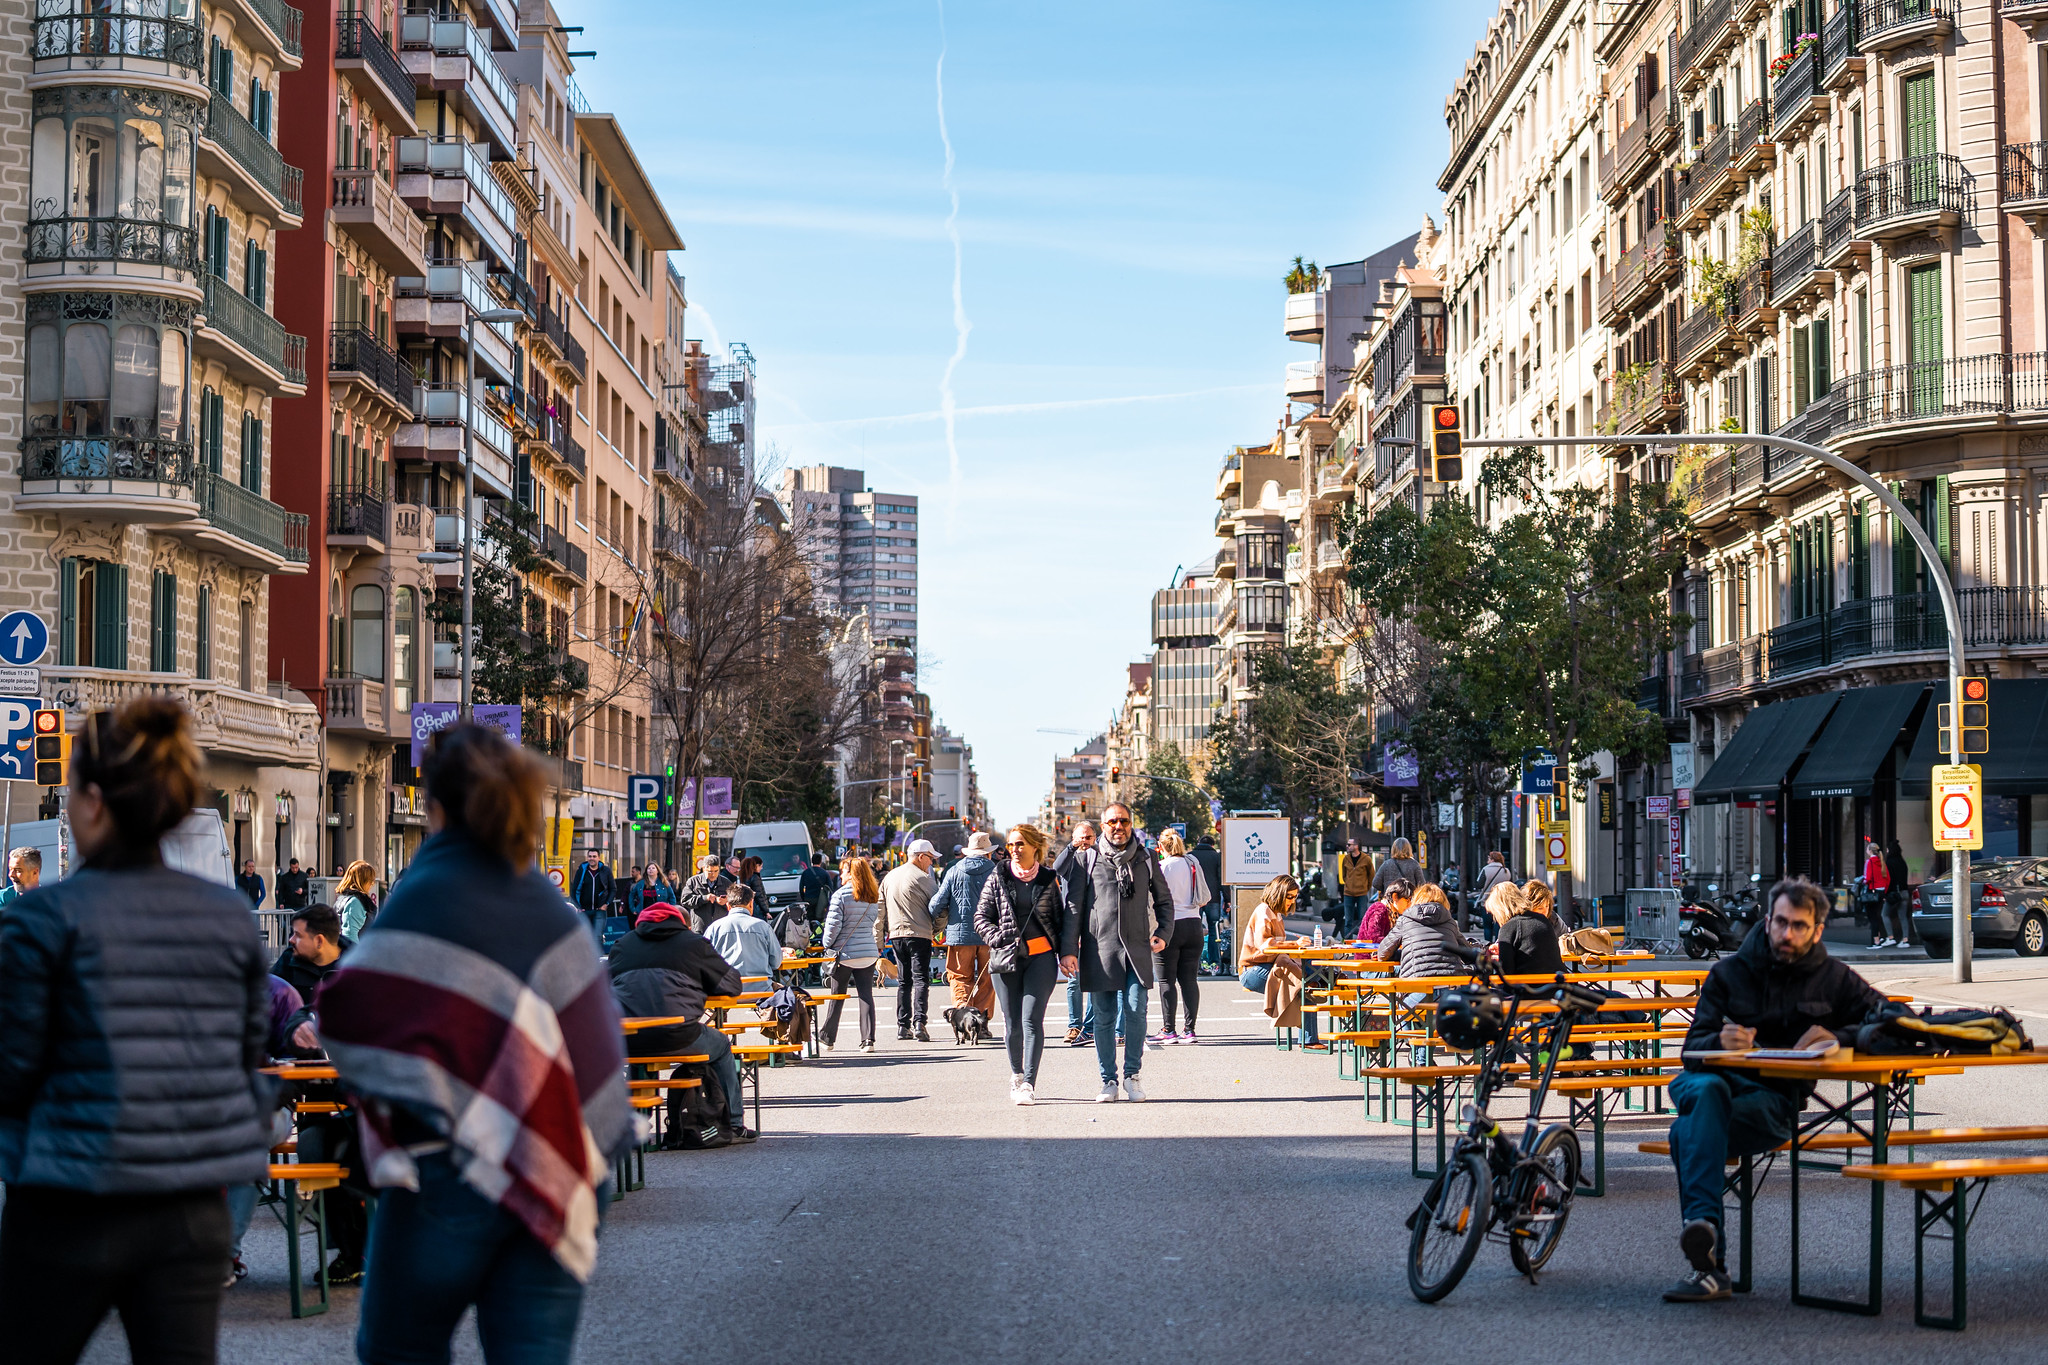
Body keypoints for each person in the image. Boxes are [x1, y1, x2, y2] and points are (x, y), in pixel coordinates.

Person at [315, 723, 635, 1362]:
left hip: (446, 1171)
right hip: (558, 1159)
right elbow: (597, 1047)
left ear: (434, 806)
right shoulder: (549, 907)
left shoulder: (424, 893)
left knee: (398, 1350)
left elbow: (349, 1011)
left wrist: (411, 1084)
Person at [0, 697, 273, 1363]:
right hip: (189, 1210)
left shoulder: (42, 921)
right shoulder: (231, 918)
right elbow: (244, 1058)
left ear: (92, 801)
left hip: (68, 1198)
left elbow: (11, 1070)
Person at [1663, 878, 1887, 1303]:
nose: (1788, 934)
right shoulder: (1728, 973)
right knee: (1707, 1088)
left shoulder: (1834, 979)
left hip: (1769, 1106)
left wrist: (1841, 1036)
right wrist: (1718, 1044)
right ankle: (1707, 1247)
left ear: (1818, 930)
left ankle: (1709, 1258)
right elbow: (1691, 1051)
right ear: (1767, 921)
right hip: (1706, 1084)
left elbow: (1894, 1019)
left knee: (1686, 1131)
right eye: (1781, 922)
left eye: (1799, 926)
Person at [607, 901, 751, 1146]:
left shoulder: (622, 945)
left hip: (628, 1036)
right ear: (680, 922)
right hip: (679, 1034)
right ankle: (734, 1123)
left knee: (640, 1056)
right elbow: (733, 985)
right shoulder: (694, 944)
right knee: (721, 1045)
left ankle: (636, 1129)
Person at [1074, 803, 1174, 1101]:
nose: (1119, 826)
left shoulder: (1146, 858)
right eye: (1112, 822)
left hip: (1137, 948)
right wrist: (1070, 947)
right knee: (1103, 1017)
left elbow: (1164, 900)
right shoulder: (1087, 859)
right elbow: (1073, 906)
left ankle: (1132, 1076)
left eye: (1124, 821)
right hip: (1100, 949)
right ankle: (1108, 1081)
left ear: (1131, 824)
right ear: (1102, 826)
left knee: (1135, 1009)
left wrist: (1163, 933)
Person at [975, 824, 1073, 1103]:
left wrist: (1066, 953)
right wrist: (997, 938)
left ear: (1034, 847)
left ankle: (1029, 1083)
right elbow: (981, 917)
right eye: (1011, 844)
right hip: (1005, 959)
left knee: (1032, 1020)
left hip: (1040, 958)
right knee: (1012, 1022)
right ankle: (1016, 1075)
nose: (1014, 850)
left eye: (1020, 844)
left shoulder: (1048, 879)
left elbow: (1059, 920)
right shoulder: (999, 875)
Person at [1239, 875, 1319, 1042]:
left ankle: (1309, 1039)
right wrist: (1294, 944)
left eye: (1295, 896)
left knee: (1306, 982)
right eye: (1289, 896)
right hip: (1252, 970)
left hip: (1266, 966)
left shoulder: (1275, 913)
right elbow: (1265, 945)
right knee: (1302, 987)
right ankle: (1308, 1039)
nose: (1292, 901)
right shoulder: (1264, 911)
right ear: (1279, 894)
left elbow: (1276, 946)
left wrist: (1294, 946)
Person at [931, 831, 998, 1031]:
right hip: (989, 935)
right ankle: (982, 1024)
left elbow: (935, 905)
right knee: (988, 980)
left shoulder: (954, 870)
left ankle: (963, 1018)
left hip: (959, 935)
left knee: (959, 978)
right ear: (988, 853)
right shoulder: (996, 871)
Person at [1150, 829, 1210, 1044]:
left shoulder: (1162, 867)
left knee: (1166, 980)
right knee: (1189, 980)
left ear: (1161, 847)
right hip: (1194, 924)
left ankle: (1169, 1030)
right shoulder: (1191, 863)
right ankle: (1190, 1030)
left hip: (1169, 927)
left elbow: (1153, 897)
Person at [820, 856, 884, 1052]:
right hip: (868, 952)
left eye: (843, 871)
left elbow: (832, 927)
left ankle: (828, 1038)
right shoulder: (872, 896)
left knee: (837, 996)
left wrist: (826, 945)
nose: (840, 875)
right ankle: (868, 1040)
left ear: (851, 873)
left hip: (845, 953)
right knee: (866, 995)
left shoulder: (840, 895)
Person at [879, 838, 941, 1042]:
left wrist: (879, 939)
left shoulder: (889, 877)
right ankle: (919, 1023)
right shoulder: (923, 878)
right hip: (920, 934)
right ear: (921, 856)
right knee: (921, 979)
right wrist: (937, 929)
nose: (931, 863)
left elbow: (880, 911)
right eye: (930, 858)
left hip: (896, 934)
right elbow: (938, 907)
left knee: (904, 981)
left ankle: (902, 1026)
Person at [1375, 882, 1475, 980]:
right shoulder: (1450, 922)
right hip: (1450, 985)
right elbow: (1468, 955)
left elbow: (1383, 954)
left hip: (1415, 984)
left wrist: (1403, 954)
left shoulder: (1405, 920)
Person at [1056, 821, 1099, 1043]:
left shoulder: (1100, 859)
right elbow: (1056, 868)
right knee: (1073, 980)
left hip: (1095, 926)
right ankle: (1074, 1025)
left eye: (1089, 837)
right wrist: (1072, 847)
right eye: (1081, 837)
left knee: (1092, 979)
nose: (1085, 841)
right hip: (1071, 926)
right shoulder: (1070, 859)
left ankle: (1090, 1026)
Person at [705, 883, 785, 983]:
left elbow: (705, 961)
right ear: (751, 903)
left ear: (728, 905)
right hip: (760, 990)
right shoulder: (764, 927)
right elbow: (776, 962)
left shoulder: (714, 928)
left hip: (726, 991)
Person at [272, 903, 349, 1004]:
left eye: (298, 935)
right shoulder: (289, 959)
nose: (291, 940)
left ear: (319, 941)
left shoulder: (356, 965)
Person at [1491, 881, 1565, 977]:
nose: (1545, 911)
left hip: (1528, 987)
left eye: (1546, 906)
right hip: (1554, 983)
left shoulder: (1509, 927)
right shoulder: (1544, 921)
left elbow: (1506, 971)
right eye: (1540, 908)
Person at [1192, 833, 1226, 974]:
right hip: (1213, 899)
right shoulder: (1217, 857)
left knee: (1195, 930)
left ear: (1199, 842)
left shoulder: (1190, 856)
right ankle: (1214, 962)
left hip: (1195, 899)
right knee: (1213, 930)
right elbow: (1221, 879)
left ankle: (1197, 962)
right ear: (1212, 845)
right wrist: (1228, 899)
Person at [570, 846, 616, 933]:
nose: (592, 858)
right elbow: (574, 889)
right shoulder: (582, 870)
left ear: (599, 858)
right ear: (587, 858)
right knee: (586, 937)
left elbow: (613, 889)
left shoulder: (606, 871)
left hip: (599, 910)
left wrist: (606, 904)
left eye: (594, 856)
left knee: (597, 937)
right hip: (584, 911)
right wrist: (578, 907)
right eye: (590, 856)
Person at [1470, 851, 1514, 937]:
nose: (1487, 861)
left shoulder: (1486, 869)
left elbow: (1479, 884)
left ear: (1492, 859)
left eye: (1489, 859)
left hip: (1487, 901)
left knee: (1487, 926)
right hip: (1501, 901)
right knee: (1499, 924)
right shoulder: (1506, 871)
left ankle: (1488, 945)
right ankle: (1498, 944)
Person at [1337, 838, 1374, 938]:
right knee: (1348, 920)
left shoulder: (1366, 859)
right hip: (1348, 893)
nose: (1347, 846)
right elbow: (1344, 875)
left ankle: (1362, 940)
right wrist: (1348, 884)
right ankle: (1348, 944)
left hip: (1361, 893)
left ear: (1356, 846)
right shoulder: (1346, 858)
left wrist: (1366, 887)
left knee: (1362, 920)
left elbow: (1371, 875)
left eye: (1349, 844)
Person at [1860, 838, 1893, 947]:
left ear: (1869, 850)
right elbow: (1887, 878)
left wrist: (1862, 881)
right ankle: (1879, 937)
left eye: (1867, 849)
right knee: (1878, 916)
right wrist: (1884, 891)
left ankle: (1876, 941)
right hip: (1881, 892)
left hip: (1872, 892)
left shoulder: (1869, 862)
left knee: (1872, 917)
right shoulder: (1882, 862)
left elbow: (1868, 878)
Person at [335, 859, 378, 939]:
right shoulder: (355, 902)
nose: (372, 884)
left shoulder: (345, 898)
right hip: (357, 949)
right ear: (364, 881)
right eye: (370, 880)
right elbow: (350, 935)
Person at [1883, 838, 1913, 947]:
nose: (1886, 851)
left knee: (1884, 914)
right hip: (1904, 892)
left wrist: (1886, 894)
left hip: (1894, 893)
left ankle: (1890, 937)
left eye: (1887, 850)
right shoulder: (1902, 862)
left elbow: (1889, 880)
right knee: (1903, 916)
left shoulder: (1889, 862)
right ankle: (1905, 939)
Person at [0, 846, 42, 913]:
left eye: (18, 870)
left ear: (35, 872)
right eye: (10, 869)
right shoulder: (3, 897)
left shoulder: (50, 901)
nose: (11, 875)